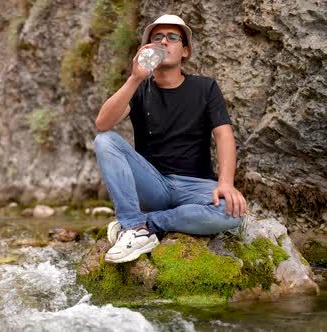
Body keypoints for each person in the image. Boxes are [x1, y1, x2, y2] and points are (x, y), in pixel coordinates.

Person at [94, 14, 247, 263]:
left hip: (196, 186)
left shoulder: (205, 87)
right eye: (157, 38)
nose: (164, 42)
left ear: (185, 51)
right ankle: (132, 225)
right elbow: (103, 124)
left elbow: (224, 135)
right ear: (148, 49)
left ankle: (147, 225)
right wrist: (135, 78)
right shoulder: (139, 89)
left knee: (233, 214)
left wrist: (226, 183)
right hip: (153, 185)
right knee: (105, 141)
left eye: (172, 37)